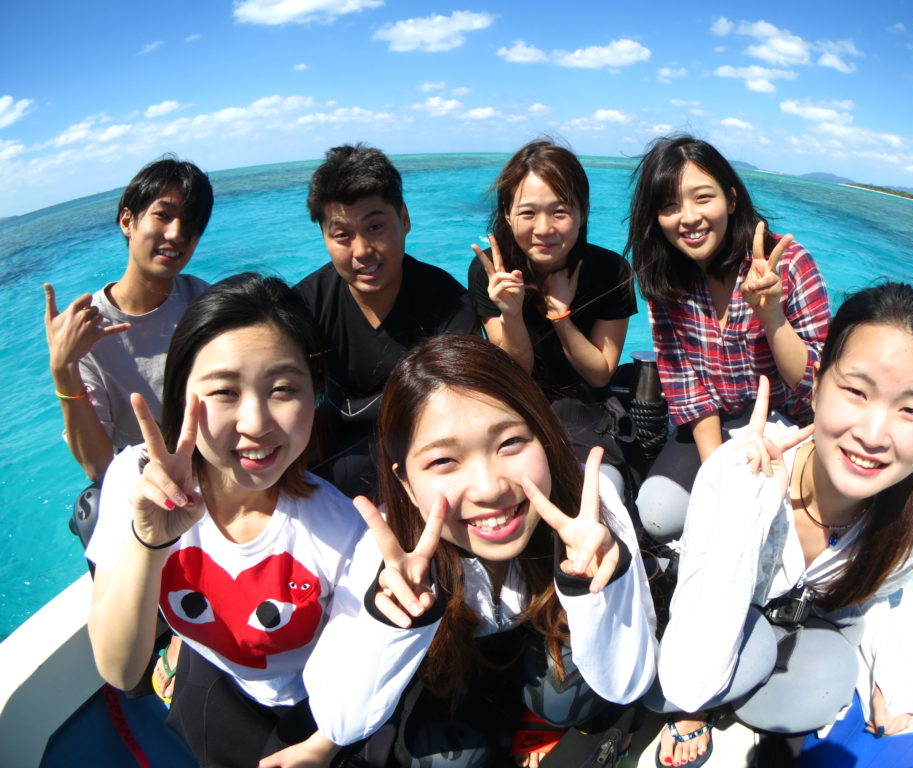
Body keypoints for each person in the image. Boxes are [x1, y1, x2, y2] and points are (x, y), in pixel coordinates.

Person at [305, 335, 657, 766]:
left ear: (545, 437)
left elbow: (628, 682)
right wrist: (396, 618)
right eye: (443, 461)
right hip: (458, 676)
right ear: (405, 483)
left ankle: (540, 723)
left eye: (509, 443)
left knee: (569, 696)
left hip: (544, 647)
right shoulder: (386, 552)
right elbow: (342, 724)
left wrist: (596, 587)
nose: (489, 488)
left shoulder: (588, 508)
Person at [646, 282, 913, 767]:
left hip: (803, 623)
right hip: (715, 615)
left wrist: (887, 678)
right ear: (815, 386)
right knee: (685, 685)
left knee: (821, 685)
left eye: (910, 410)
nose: (874, 435)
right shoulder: (736, 469)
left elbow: (871, 598)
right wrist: (748, 509)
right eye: (856, 391)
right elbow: (688, 676)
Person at [86, 274, 381, 768]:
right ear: (181, 394)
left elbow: (359, 669)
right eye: (225, 391)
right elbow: (119, 671)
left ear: (315, 394)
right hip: (212, 679)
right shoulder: (138, 481)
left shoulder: (344, 532)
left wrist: (323, 746)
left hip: (312, 702)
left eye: (283, 388)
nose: (256, 422)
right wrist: (148, 542)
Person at [625, 135, 830, 542]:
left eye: (703, 198)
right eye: (669, 206)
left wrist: (771, 313)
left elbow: (814, 384)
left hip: (792, 424)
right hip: (718, 422)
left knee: (782, 524)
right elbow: (686, 385)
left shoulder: (787, 263)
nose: (688, 218)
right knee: (657, 513)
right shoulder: (666, 278)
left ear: (731, 200)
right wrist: (718, 475)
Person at [295, 144, 479, 500]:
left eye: (375, 226)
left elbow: (459, 410)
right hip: (326, 469)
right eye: (342, 235)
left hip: (419, 460)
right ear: (324, 237)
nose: (362, 251)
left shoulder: (449, 305)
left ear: (404, 219)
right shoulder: (304, 307)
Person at [468, 140, 637, 489]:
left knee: (595, 486)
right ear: (507, 214)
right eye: (528, 213)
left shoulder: (611, 270)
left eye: (559, 212)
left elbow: (600, 374)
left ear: (582, 212)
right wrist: (511, 313)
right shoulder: (490, 273)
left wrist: (560, 315)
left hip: (586, 407)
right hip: (519, 403)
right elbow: (516, 373)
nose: (543, 228)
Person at [44, 155, 213, 483]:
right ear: (127, 221)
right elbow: (98, 468)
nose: (177, 233)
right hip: (150, 483)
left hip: (217, 468)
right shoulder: (86, 331)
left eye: (191, 223)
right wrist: (63, 368)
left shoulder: (204, 301)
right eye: (163, 215)